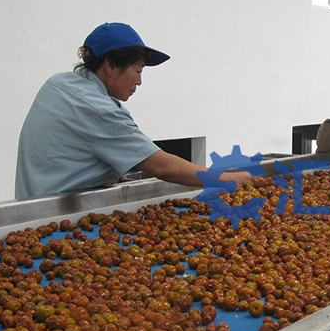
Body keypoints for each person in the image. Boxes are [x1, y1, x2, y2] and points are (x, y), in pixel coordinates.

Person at [16, 23, 248, 200]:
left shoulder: (58, 84)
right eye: (137, 71)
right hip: (57, 218)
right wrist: (228, 179)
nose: (139, 82)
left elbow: (67, 148)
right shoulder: (101, 111)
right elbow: (161, 166)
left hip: (30, 205)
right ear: (110, 65)